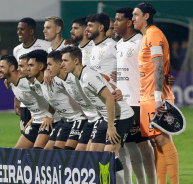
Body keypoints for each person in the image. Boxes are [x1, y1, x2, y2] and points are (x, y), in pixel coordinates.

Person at [61, 46, 135, 183]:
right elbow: (105, 81)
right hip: (107, 118)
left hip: (121, 117)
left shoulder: (88, 76)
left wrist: (111, 126)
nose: (62, 64)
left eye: (65, 60)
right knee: (94, 154)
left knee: (109, 155)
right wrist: (115, 88)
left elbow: (109, 98)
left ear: (76, 60)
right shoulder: (82, 75)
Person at [132, 3, 178, 183]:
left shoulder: (153, 34)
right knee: (155, 143)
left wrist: (158, 97)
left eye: (136, 15)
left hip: (155, 96)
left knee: (163, 140)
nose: (133, 18)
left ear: (146, 16)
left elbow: (159, 65)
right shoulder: (145, 36)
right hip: (147, 96)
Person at [113, 7, 157, 184]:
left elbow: (152, 68)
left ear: (129, 22)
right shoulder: (119, 44)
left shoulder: (140, 41)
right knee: (129, 146)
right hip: (123, 103)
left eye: (118, 20)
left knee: (144, 145)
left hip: (138, 102)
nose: (115, 24)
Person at [26, 49, 87, 150]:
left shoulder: (60, 79)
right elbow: (51, 102)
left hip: (79, 118)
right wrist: (47, 115)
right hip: (65, 120)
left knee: (67, 152)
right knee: (48, 153)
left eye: (30, 65)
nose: (28, 69)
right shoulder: (37, 84)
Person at [47, 50, 102, 151]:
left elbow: (102, 79)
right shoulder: (63, 80)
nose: (47, 68)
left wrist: (116, 90)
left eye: (50, 64)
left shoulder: (75, 77)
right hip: (89, 119)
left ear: (60, 65)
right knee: (74, 153)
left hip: (99, 117)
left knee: (90, 154)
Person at [0, 54, 54, 149]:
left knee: (38, 152)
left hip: (47, 121)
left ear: (12, 68)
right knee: (17, 153)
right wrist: (33, 117)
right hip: (35, 121)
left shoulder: (29, 81)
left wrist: (50, 116)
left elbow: (51, 97)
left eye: (2, 67)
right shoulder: (10, 84)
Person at [13, 17, 50, 131]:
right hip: (26, 101)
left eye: (22, 29)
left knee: (42, 135)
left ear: (31, 31)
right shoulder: (17, 50)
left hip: (41, 100)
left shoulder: (45, 45)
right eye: (18, 29)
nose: (19, 32)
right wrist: (16, 98)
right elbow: (17, 75)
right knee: (26, 133)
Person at [85, 13, 117, 80]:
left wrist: (121, 75)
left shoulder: (111, 45)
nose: (86, 29)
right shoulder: (91, 46)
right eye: (87, 26)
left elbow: (130, 63)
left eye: (90, 26)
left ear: (101, 28)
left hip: (111, 89)